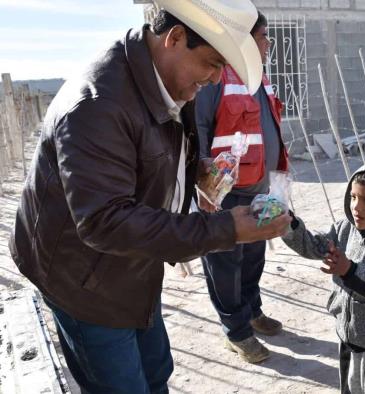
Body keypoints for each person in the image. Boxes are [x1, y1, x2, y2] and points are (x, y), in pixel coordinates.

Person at [8, 2, 292, 393]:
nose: (213, 79)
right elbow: (105, 222)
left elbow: (157, 144)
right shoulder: (97, 106)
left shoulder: (166, 78)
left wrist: (196, 170)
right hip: (84, 279)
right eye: (211, 64)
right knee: (122, 385)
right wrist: (227, 228)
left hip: (134, 261)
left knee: (156, 370)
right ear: (174, 38)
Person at [194, 11, 289, 364]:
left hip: (259, 188)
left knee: (253, 257)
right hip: (225, 194)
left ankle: (251, 311)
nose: (268, 45)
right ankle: (235, 331)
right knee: (224, 264)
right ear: (246, 39)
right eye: (265, 38)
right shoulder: (216, 75)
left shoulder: (257, 76)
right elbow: (198, 131)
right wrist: (206, 192)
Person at [282, 161, 365, 393]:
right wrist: (289, 225)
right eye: (353, 197)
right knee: (351, 388)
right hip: (349, 332)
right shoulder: (346, 227)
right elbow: (314, 245)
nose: (356, 207)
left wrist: (349, 270)